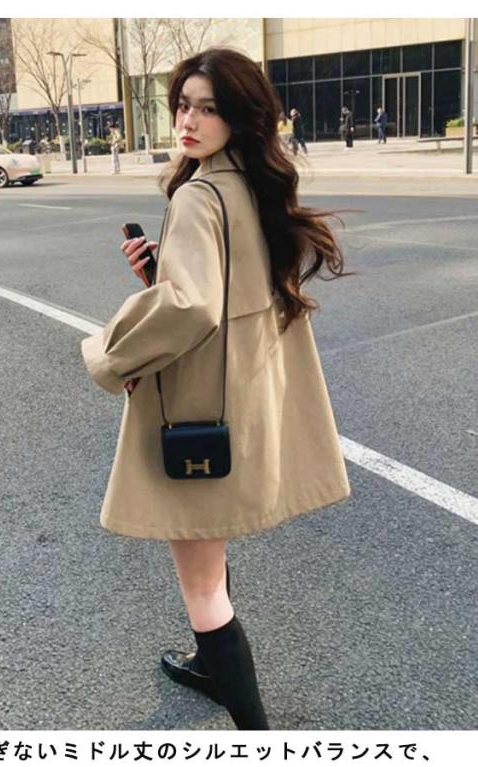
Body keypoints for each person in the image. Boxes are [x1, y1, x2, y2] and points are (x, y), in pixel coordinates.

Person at [80, 47, 351, 731]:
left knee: (201, 585)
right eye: (183, 106)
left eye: (208, 108)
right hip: (247, 395)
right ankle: (209, 666)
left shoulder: (198, 196)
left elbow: (192, 308)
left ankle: (257, 739)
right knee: (208, 538)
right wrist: (160, 273)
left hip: (199, 403)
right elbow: (221, 294)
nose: (189, 121)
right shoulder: (251, 187)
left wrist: (109, 354)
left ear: (239, 116)